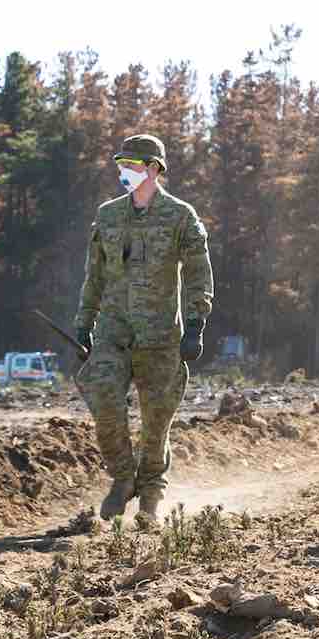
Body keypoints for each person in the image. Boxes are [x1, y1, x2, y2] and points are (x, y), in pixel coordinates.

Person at [74, 134, 213, 529]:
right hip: (113, 332)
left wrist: (197, 323)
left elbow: (199, 272)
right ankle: (123, 479)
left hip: (161, 339)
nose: (124, 173)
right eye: (121, 165)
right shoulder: (107, 216)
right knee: (101, 394)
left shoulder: (181, 216)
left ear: (154, 169)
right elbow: (94, 275)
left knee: (156, 422)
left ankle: (151, 494)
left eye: (132, 166)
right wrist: (84, 322)